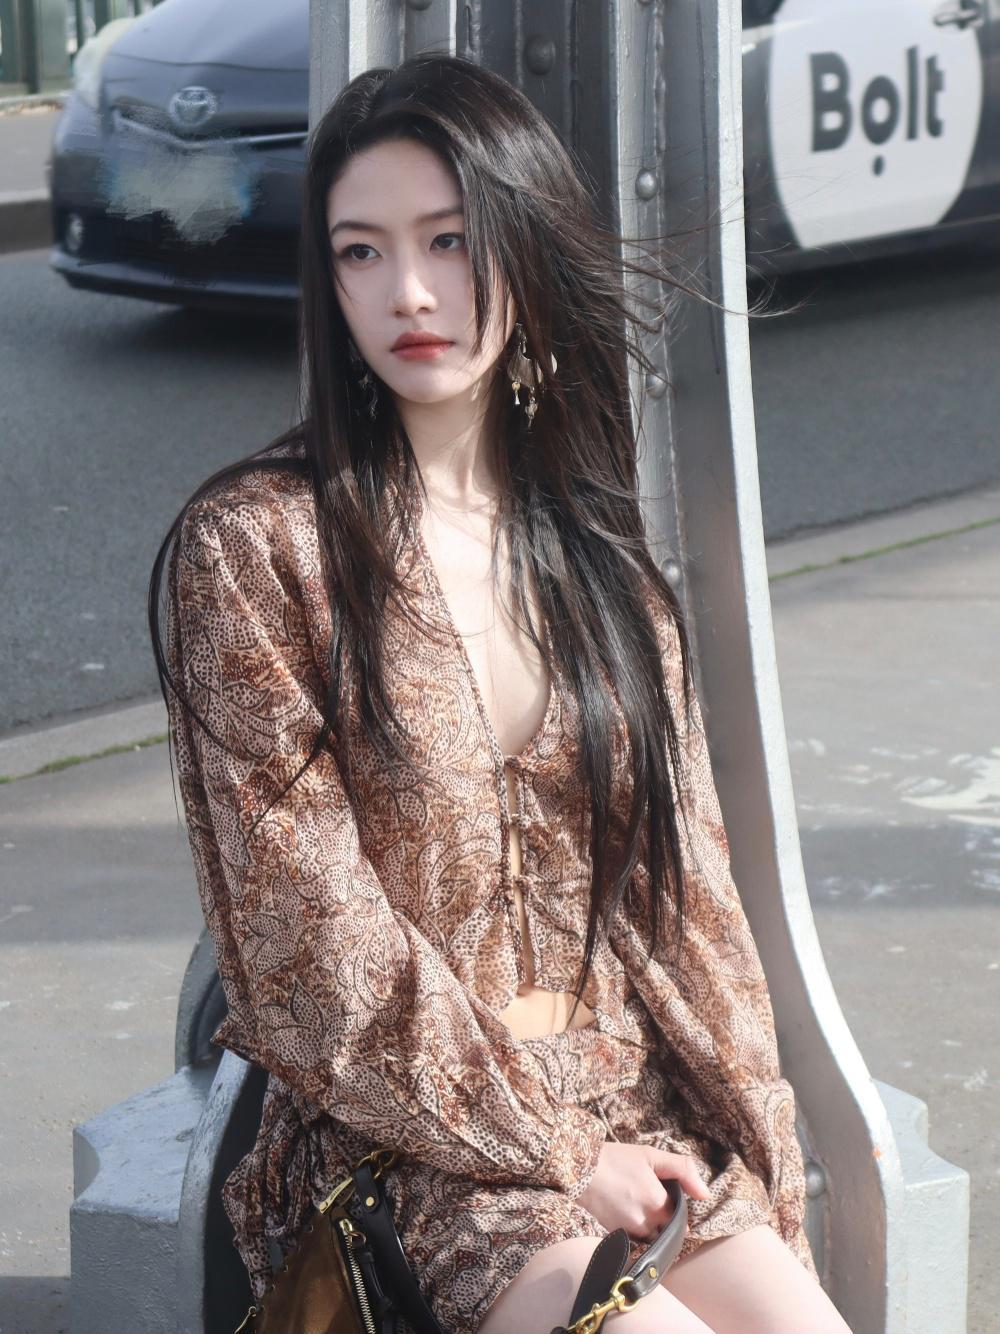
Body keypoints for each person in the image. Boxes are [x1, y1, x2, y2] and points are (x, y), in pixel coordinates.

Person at [150, 51, 850, 1334]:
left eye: (450, 240)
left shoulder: (590, 553)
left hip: (633, 1109)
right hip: (412, 1143)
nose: (408, 292)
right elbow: (307, 941)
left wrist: (766, 1174)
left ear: (521, 244)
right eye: (360, 252)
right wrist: (555, 1150)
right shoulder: (258, 547)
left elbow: (692, 910)